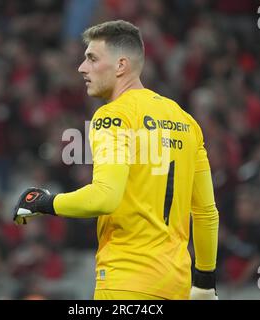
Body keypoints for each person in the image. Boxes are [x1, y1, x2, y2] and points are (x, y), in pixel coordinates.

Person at [13, 20, 219, 300]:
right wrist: (205, 282)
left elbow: (105, 198)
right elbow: (206, 212)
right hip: (176, 285)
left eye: (91, 59)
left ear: (121, 66)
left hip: (126, 281)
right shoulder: (187, 122)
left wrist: (45, 202)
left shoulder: (113, 117)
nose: (81, 68)